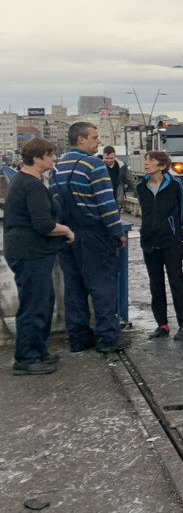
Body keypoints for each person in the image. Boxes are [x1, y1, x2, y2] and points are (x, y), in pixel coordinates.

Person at [52, 122, 127, 354]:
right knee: (103, 287)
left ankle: (79, 339)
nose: (98, 142)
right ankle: (107, 339)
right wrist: (117, 233)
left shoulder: (58, 166)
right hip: (93, 235)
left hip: (66, 236)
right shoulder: (94, 165)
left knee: (74, 290)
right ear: (81, 140)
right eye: (95, 137)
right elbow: (106, 203)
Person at [3, 138, 75, 375]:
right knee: (35, 306)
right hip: (30, 253)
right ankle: (26, 358)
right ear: (37, 158)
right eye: (51, 154)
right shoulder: (31, 185)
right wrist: (65, 230)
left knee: (42, 303)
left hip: (29, 252)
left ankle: (39, 351)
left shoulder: (24, 180)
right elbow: (43, 224)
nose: (54, 158)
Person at [137, 151, 183, 340]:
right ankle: (162, 325)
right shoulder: (141, 186)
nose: (146, 163)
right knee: (155, 284)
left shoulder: (175, 184)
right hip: (149, 241)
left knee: (177, 282)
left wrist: (181, 227)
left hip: (171, 241)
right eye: (146, 159)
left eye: (150, 160)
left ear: (161, 165)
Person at [99, 145, 135, 211]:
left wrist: (138, 194)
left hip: (117, 201)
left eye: (111, 158)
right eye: (106, 158)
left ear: (115, 156)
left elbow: (131, 181)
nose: (109, 161)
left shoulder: (122, 166)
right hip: (103, 201)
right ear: (103, 156)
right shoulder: (98, 167)